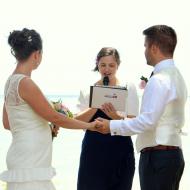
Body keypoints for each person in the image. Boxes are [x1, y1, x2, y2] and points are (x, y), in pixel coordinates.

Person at [0, 28, 96, 190]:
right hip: (32, 158)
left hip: (20, 153)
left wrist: (44, 128)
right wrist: (90, 126)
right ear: (37, 54)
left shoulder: (10, 83)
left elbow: (8, 124)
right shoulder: (26, 83)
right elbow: (56, 117)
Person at [94, 25, 188, 190]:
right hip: (173, 156)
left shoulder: (159, 79)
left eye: (145, 46)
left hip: (157, 158)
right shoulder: (177, 76)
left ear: (153, 48)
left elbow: (147, 122)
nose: (144, 50)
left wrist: (111, 125)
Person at [75, 47, 139, 190]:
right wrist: (95, 105)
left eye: (111, 65)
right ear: (97, 64)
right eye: (103, 65)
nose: (107, 69)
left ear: (118, 65)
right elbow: (78, 122)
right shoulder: (87, 89)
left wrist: (114, 117)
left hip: (120, 149)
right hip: (93, 150)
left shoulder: (128, 87)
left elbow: (135, 124)